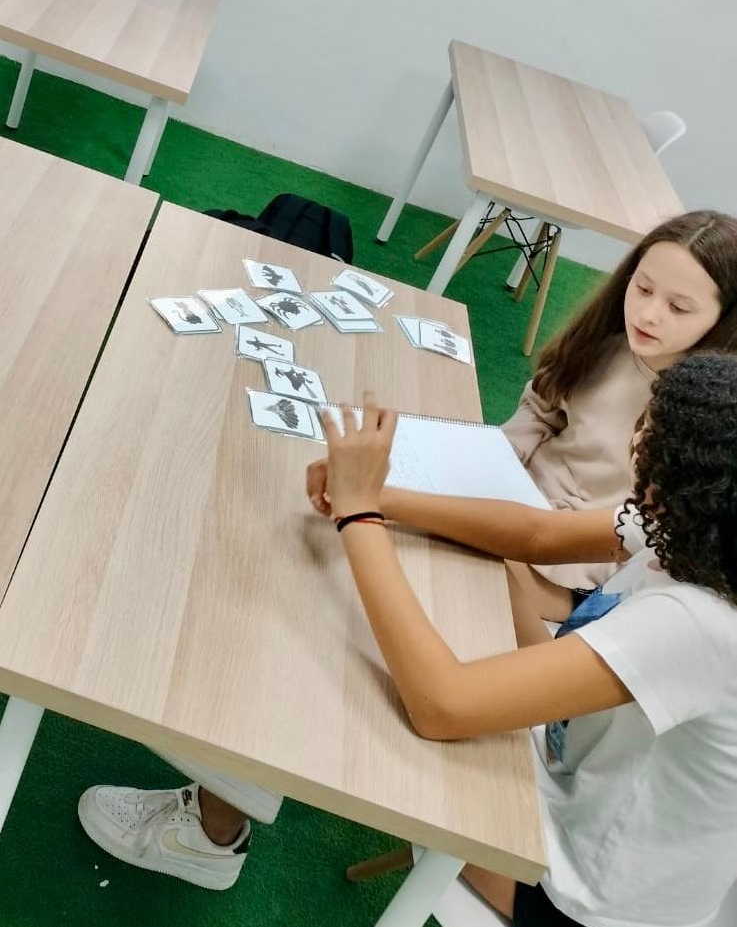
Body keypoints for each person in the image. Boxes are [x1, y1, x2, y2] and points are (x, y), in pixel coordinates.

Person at [78, 353, 737, 927]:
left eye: (648, 443)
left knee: (338, 663)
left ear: (685, 478)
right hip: (567, 766)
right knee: (406, 605)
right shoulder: (696, 525)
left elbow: (440, 704)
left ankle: (206, 835)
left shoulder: (698, 620)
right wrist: (375, 494)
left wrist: (360, 512)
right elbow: (534, 536)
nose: (634, 441)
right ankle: (216, 819)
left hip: (567, 891)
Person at [500, 209, 737, 619]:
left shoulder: (710, 421)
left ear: (724, 318)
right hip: (512, 500)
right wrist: (497, 457)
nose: (648, 314)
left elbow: (658, 534)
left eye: (678, 308)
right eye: (642, 288)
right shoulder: (604, 345)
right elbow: (540, 407)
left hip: (579, 567)